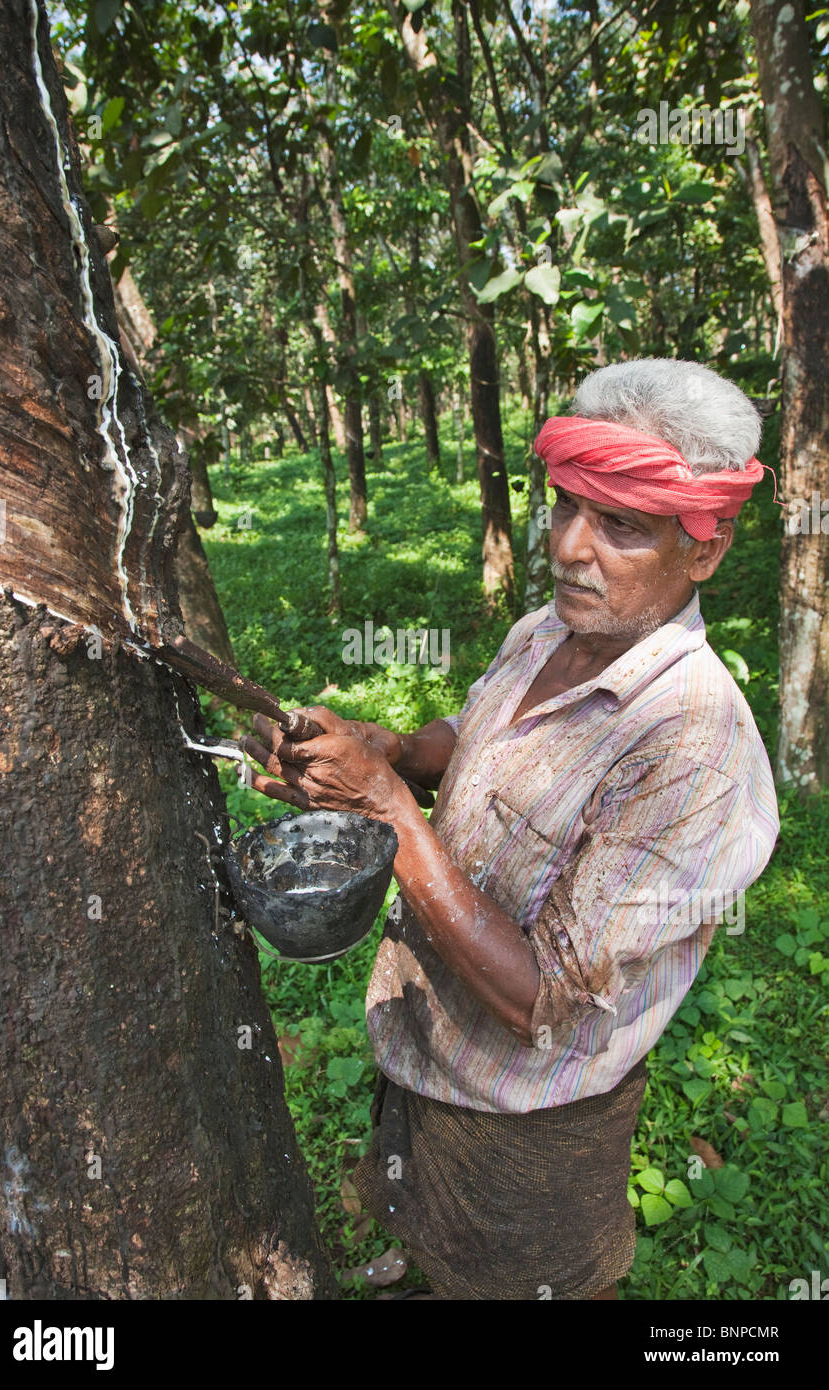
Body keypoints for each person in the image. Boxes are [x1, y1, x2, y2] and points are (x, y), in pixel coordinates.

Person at [244, 358, 780, 1301]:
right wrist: (394, 749)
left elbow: (540, 1002)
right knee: (425, 1238)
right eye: (566, 506)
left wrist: (384, 807)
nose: (571, 548)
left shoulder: (694, 750)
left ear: (704, 550)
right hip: (426, 1051)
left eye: (621, 525)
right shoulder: (553, 628)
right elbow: (478, 736)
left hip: (527, 1121)